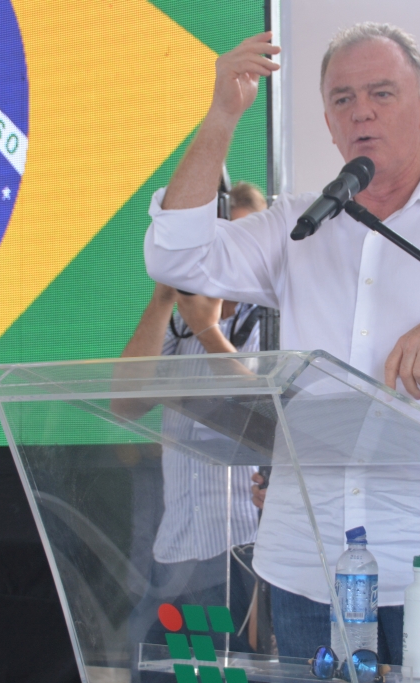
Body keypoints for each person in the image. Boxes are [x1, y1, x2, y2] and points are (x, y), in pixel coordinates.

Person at [143, 23, 420, 683]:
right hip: (307, 571)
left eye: (381, 93)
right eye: (342, 99)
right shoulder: (297, 225)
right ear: (328, 123)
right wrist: (221, 116)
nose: (361, 112)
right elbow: (174, 254)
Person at [122, 183, 267, 660]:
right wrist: (165, 295)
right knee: (164, 672)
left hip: (240, 550)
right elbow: (125, 403)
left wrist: (208, 330)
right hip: (173, 549)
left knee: (225, 670)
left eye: (240, 236)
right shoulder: (179, 322)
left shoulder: (272, 320)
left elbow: (265, 417)